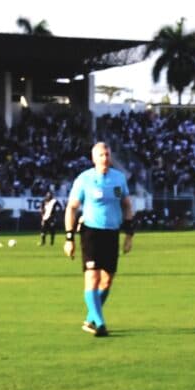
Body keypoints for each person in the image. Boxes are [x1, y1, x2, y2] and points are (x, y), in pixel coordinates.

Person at [64, 141, 134, 337]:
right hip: (90, 232)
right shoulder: (84, 179)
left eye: (107, 155)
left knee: (107, 281)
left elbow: (127, 205)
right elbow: (71, 208)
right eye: (101, 155)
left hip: (111, 233)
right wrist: (69, 238)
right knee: (92, 277)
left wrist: (129, 235)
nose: (105, 158)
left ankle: (90, 319)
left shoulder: (118, 178)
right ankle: (101, 324)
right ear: (94, 158)